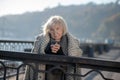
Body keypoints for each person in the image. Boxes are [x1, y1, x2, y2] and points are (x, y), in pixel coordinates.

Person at [23, 15, 83, 80]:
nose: (55, 32)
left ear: (63, 29)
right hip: (45, 75)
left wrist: (60, 51)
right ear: (48, 30)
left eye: (57, 28)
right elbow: (34, 58)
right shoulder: (41, 40)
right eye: (52, 30)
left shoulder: (72, 42)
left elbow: (76, 58)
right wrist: (48, 50)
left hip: (64, 76)